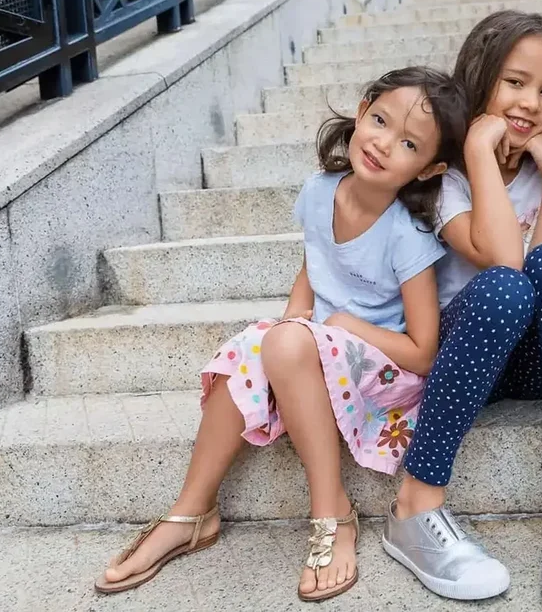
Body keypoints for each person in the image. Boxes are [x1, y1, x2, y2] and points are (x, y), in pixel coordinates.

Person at [94, 67, 467, 602]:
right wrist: (295, 318)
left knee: (286, 341)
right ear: (362, 112)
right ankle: (191, 511)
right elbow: (314, 268)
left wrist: (341, 326)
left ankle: (332, 513)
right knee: (250, 347)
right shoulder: (320, 192)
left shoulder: (407, 237)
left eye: (408, 143)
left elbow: (424, 353)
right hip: (320, 352)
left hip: (382, 374)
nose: (384, 144)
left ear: (429, 167)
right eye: (380, 121)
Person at [381, 11, 542, 611]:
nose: (530, 102)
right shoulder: (445, 174)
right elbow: (501, 259)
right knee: (504, 288)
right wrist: (482, 152)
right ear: (480, 79)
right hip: (467, 363)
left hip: (539, 364)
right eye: (515, 82)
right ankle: (416, 502)